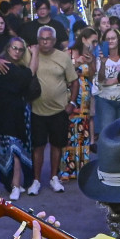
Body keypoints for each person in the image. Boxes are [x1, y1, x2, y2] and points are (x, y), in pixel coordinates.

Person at [30, 25, 79, 195]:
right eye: (42, 39)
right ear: (38, 40)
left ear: (54, 40)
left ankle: (54, 177)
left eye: (49, 39)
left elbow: (74, 81)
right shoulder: (31, 55)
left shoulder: (63, 57)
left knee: (57, 145)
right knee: (38, 146)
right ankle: (36, 180)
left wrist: (71, 103)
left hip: (59, 110)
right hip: (37, 109)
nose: (45, 42)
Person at [0, 37, 36, 200]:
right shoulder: (0, 67)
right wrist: (35, 55)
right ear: (7, 48)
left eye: (21, 49)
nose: (17, 52)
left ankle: (15, 184)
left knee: (15, 148)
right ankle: (15, 184)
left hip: (19, 112)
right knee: (11, 148)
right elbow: (30, 73)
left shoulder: (17, 68)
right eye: (14, 48)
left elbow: (28, 75)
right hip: (4, 112)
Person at [59, 29, 97, 181]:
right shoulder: (68, 53)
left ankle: (81, 168)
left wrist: (90, 62)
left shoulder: (91, 56)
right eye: (92, 41)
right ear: (83, 39)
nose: (94, 44)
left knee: (82, 132)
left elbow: (93, 76)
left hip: (85, 97)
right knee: (69, 133)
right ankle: (67, 169)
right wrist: (77, 63)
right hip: (70, 96)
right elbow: (62, 73)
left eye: (96, 42)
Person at [93, 28, 120, 142]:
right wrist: (103, 63)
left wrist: (114, 80)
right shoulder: (99, 58)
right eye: (107, 39)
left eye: (113, 38)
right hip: (105, 99)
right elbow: (101, 80)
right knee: (107, 134)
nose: (111, 41)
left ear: (118, 40)